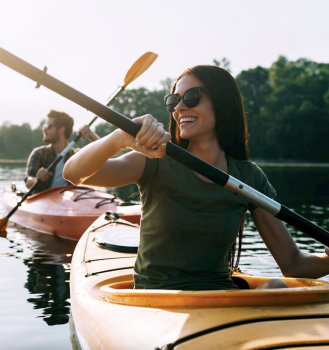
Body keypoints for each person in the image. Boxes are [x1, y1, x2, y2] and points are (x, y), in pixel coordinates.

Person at [63, 65, 329, 291]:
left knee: (277, 287)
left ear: (222, 101)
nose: (178, 108)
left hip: (219, 299)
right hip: (155, 299)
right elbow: (73, 173)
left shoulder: (248, 177)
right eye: (173, 100)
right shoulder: (153, 160)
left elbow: (293, 264)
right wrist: (120, 138)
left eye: (191, 97)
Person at [25, 110, 99, 194]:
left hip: (67, 202)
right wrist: (37, 179)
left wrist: (91, 135)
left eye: (48, 126)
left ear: (61, 130)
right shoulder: (39, 153)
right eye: (44, 126)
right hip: (41, 201)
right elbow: (28, 182)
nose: (44, 129)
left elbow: (104, 156)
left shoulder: (76, 156)